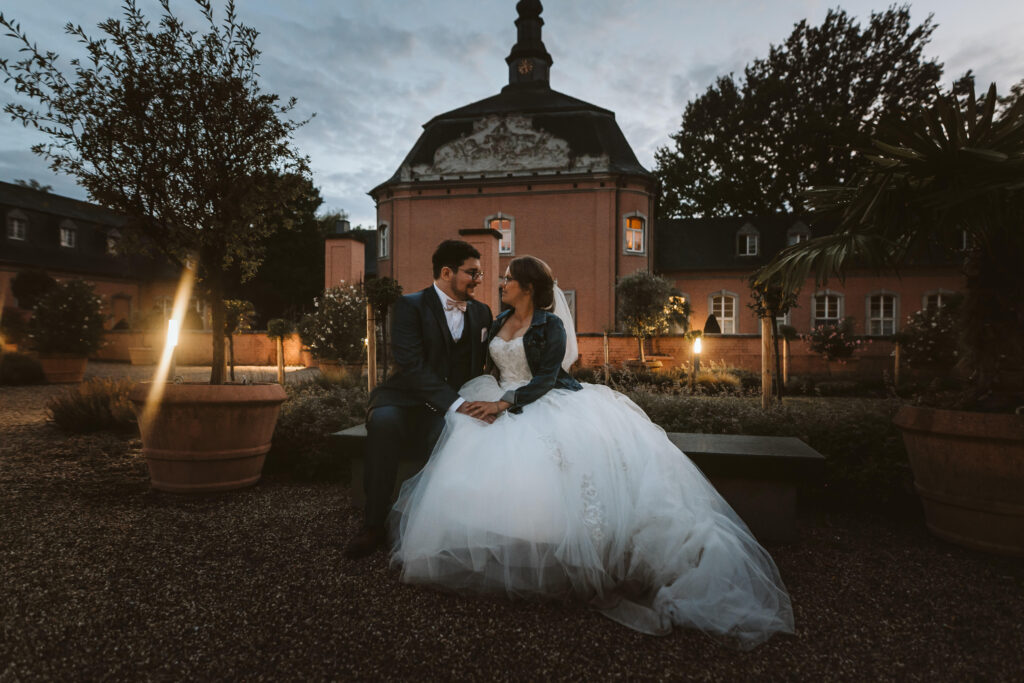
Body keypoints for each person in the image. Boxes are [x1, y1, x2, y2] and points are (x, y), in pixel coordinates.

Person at [389, 255, 795, 648]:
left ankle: (567, 560)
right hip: (498, 394)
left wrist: (504, 403)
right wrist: (483, 397)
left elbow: (547, 377)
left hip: (539, 400)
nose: (501, 283)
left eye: (509, 278)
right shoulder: (497, 319)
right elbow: (488, 365)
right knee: (472, 441)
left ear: (527, 287)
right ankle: (509, 551)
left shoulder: (550, 326)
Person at [344, 240, 494, 559]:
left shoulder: (482, 313)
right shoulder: (409, 306)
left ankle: (439, 526)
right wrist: (458, 405)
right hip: (403, 397)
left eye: (479, 274)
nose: (479, 280)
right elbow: (411, 365)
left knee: (448, 435)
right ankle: (373, 525)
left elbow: (485, 363)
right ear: (446, 272)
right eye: (472, 273)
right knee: (384, 425)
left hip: (449, 403)